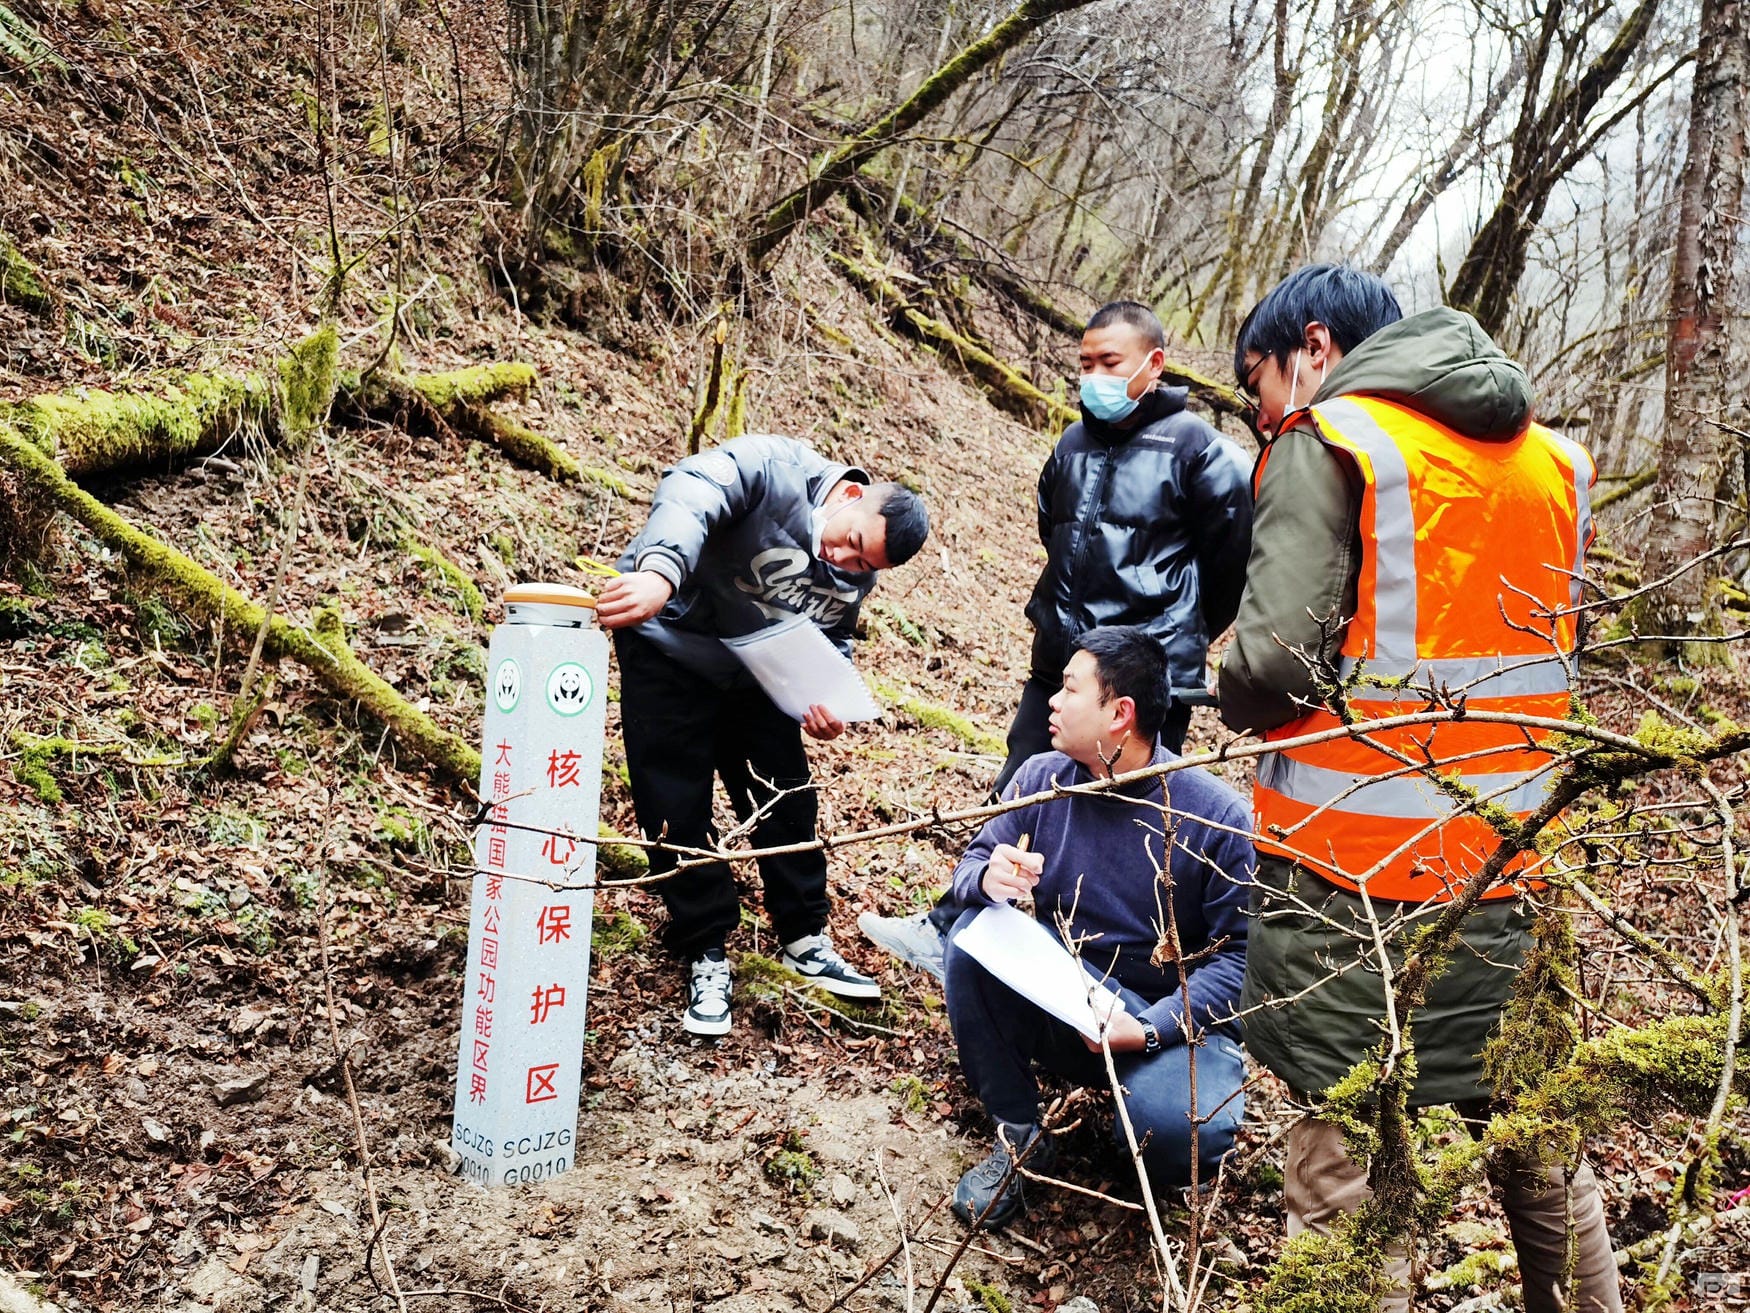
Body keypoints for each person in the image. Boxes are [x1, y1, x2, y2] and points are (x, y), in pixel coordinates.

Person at [1220, 264, 1612, 1312]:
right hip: (1512, 876)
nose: (1260, 412)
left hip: (1355, 894)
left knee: (1344, 1196)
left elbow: (1271, 669)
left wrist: (1224, 682)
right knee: (1542, 1153)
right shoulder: (1555, 464)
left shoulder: (1331, 440)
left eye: (1257, 383)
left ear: (1311, 348)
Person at [861, 301, 1253, 979]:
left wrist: (1171, 643)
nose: (1094, 376)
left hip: (1140, 684)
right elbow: (1055, 532)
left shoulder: (1201, 451)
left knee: (1129, 821)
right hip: (1060, 663)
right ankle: (952, 927)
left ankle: (1117, 969)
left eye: (1110, 362)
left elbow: (1230, 566)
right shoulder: (1072, 444)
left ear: (1154, 364)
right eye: (1085, 363)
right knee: (1021, 792)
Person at [597, 434, 929, 1037]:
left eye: (863, 565)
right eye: (851, 543)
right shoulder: (771, 470)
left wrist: (825, 699)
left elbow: (833, 632)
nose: (843, 559)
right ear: (850, 496)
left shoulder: (855, 570)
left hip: (758, 668)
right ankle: (705, 947)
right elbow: (692, 492)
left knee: (786, 795)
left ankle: (803, 936)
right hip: (671, 642)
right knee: (673, 799)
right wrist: (660, 574)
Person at [941, 626, 1252, 1226]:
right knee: (971, 938)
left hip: (1173, 1020)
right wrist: (988, 878)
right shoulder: (1042, 777)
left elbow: (1242, 962)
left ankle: (1141, 1133)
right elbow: (971, 865)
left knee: (1175, 1134)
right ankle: (1020, 1134)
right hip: (1074, 994)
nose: (1053, 701)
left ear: (1120, 713)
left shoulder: (1216, 816)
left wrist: (1152, 1027)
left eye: (1069, 688)